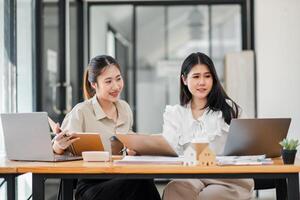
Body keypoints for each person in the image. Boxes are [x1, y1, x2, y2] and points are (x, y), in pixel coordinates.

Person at [52, 55, 161, 200]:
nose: (116, 86)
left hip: (122, 177)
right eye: (108, 81)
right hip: (92, 186)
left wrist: (135, 149)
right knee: (139, 181)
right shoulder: (81, 111)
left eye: (118, 78)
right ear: (94, 85)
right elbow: (57, 152)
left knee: (142, 179)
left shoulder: (124, 108)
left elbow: (127, 142)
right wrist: (58, 145)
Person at [162, 52, 254, 200]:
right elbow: (169, 150)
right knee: (174, 189)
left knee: (209, 196)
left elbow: (249, 147)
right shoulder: (175, 114)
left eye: (207, 76)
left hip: (228, 178)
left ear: (214, 79)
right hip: (192, 177)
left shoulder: (229, 109)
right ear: (184, 80)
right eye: (196, 76)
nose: (202, 82)